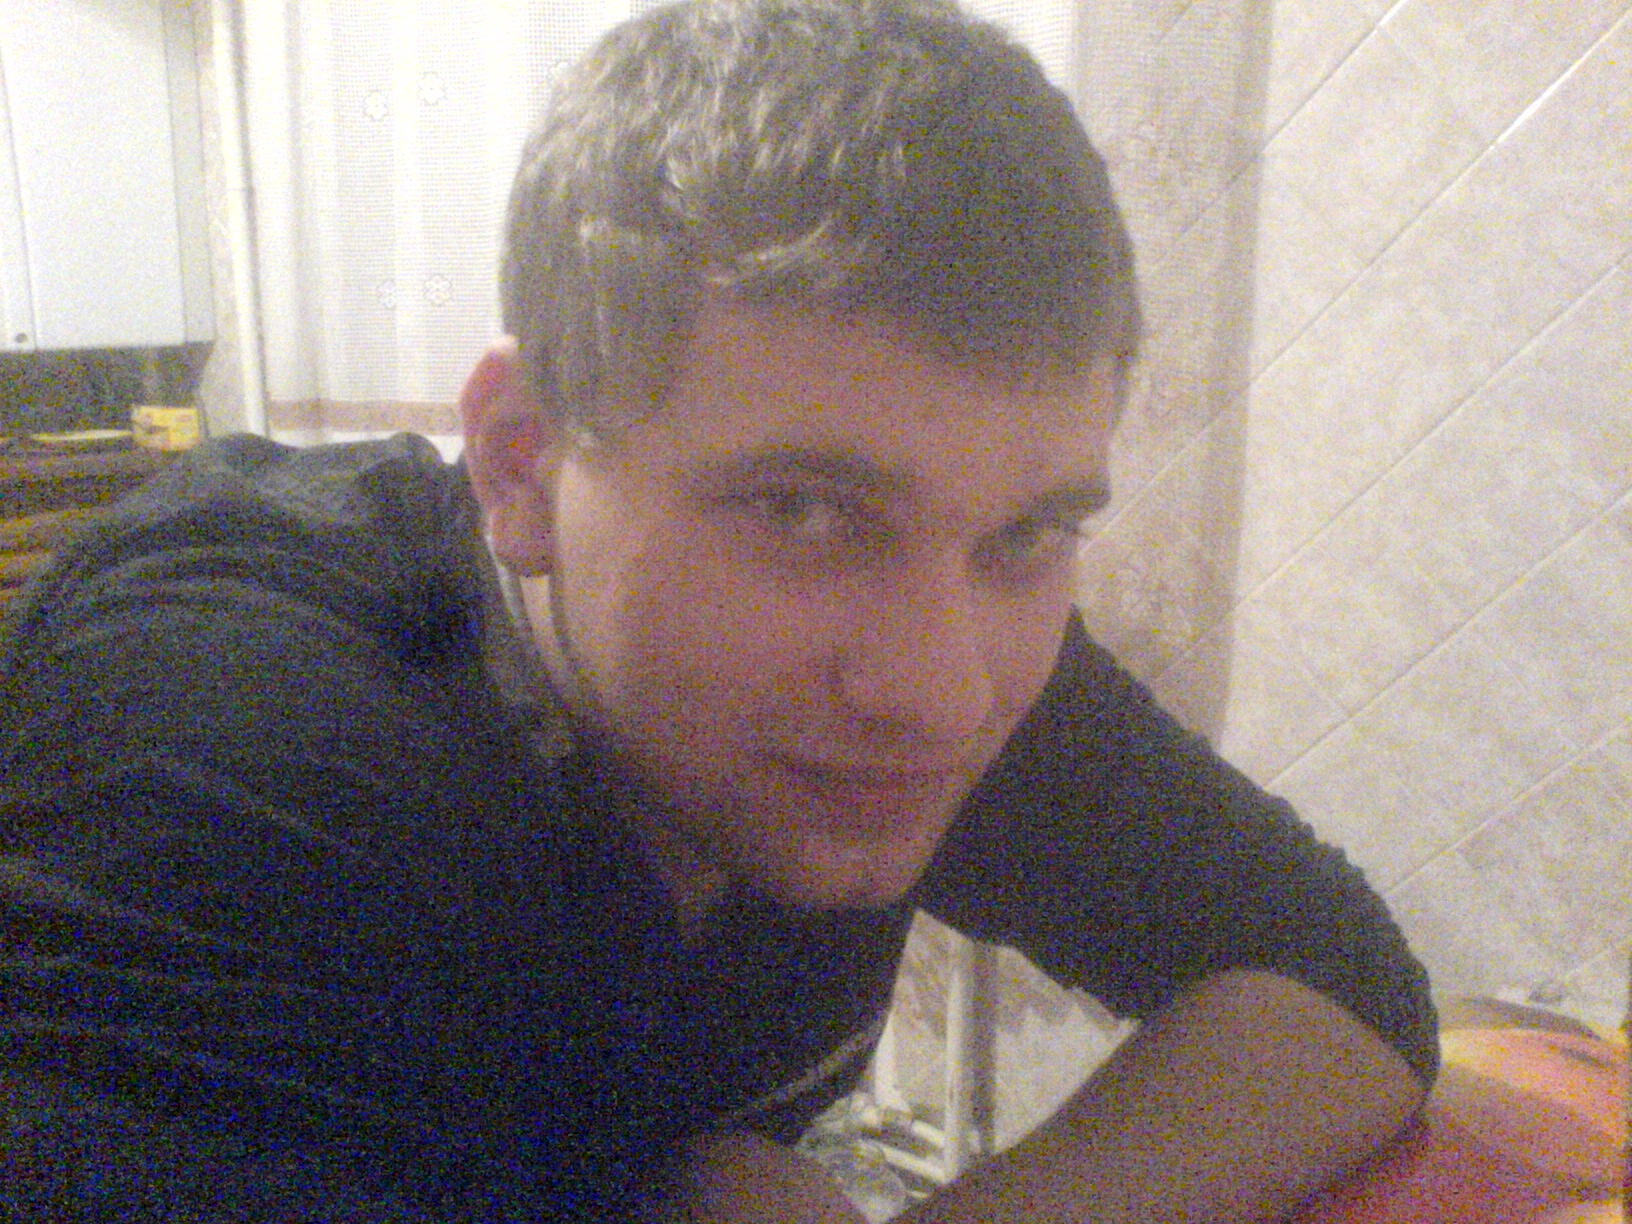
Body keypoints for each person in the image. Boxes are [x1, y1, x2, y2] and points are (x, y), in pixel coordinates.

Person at [0, 0, 1437, 1219]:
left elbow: (1336, 984)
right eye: (804, 512)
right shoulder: (232, 746)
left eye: (1033, 531)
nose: (944, 698)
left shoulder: (923, 658)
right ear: (522, 461)